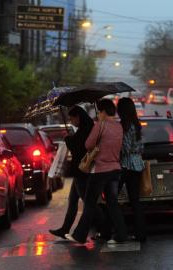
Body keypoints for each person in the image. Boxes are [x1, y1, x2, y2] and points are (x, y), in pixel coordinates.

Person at [66, 99, 128, 244]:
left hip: (100, 170)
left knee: (89, 203)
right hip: (115, 170)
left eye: (99, 111)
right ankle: (121, 234)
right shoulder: (119, 126)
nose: (98, 114)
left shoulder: (100, 126)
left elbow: (88, 145)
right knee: (113, 204)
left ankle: (79, 235)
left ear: (104, 111)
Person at [49, 106, 95, 239]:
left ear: (78, 117)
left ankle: (103, 225)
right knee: (73, 200)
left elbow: (77, 148)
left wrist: (68, 139)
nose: (71, 121)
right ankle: (65, 228)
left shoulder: (86, 129)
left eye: (72, 118)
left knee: (88, 202)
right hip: (79, 171)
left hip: (82, 170)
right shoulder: (85, 128)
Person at [117, 97, 147, 242]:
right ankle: (140, 234)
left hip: (125, 165)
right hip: (137, 164)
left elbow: (125, 149)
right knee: (135, 200)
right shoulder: (137, 124)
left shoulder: (125, 126)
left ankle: (117, 231)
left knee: (112, 197)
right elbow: (142, 147)